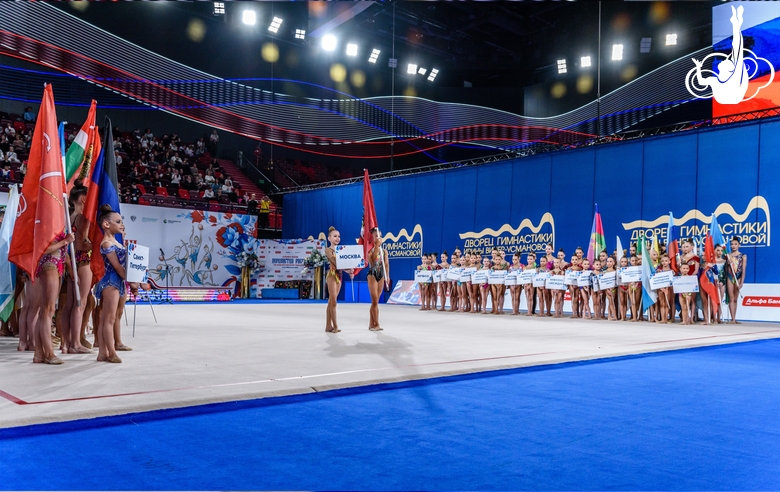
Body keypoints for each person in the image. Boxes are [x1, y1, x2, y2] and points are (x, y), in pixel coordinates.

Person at [93, 205, 137, 363]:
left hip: (118, 281)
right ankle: (110, 352)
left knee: (110, 317)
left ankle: (103, 353)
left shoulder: (116, 243)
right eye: (118, 221)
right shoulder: (106, 243)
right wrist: (132, 282)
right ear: (106, 224)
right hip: (110, 280)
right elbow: (118, 267)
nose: (121, 224)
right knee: (108, 318)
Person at [29, 230, 74, 363]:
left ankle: (39, 353)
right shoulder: (48, 222)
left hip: (56, 265)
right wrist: (65, 241)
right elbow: (43, 248)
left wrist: (70, 268)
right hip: (49, 263)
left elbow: (63, 253)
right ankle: (49, 353)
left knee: (45, 310)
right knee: (48, 310)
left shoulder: (58, 224)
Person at [60, 182, 93, 354]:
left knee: (70, 304)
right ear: (82, 198)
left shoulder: (70, 216)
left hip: (72, 263)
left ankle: (65, 343)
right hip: (83, 262)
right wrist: (97, 246)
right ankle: (75, 343)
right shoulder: (83, 218)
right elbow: (81, 244)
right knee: (81, 303)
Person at [324, 226, 352, 333]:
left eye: (339, 236)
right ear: (329, 238)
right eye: (335, 236)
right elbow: (336, 262)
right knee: (333, 301)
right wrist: (347, 268)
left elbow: (343, 263)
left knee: (331, 301)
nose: (337, 238)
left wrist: (349, 271)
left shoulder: (341, 251)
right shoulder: (328, 250)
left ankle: (328, 326)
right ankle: (335, 326)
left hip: (339, 276)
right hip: (332, 275)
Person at [367, 228, 390, 331]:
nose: (378, 237)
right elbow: (372, 261)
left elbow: (386, 264)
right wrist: (376, 245)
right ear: (372, 237)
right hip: (372, 274)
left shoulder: (384, 251)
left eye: (379, 236)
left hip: (381, 275)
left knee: (375, 302)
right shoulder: (369, 250)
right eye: (376, 235)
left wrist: (387, 276)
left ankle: (371, 323)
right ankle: (376, 324)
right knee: (375, 300)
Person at [725, 237, 746, 324]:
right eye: (732, 244)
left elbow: (743, 269)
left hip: (738, 276)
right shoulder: (728, 256)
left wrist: (741, 282)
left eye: (735, 244)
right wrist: (728, 264)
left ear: (739, 245)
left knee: (735, 298)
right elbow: (725, 269)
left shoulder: (743, 256)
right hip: (730, 276)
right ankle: (732, 318)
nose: (733, 246)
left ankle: (735, 318)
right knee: (731, 298)